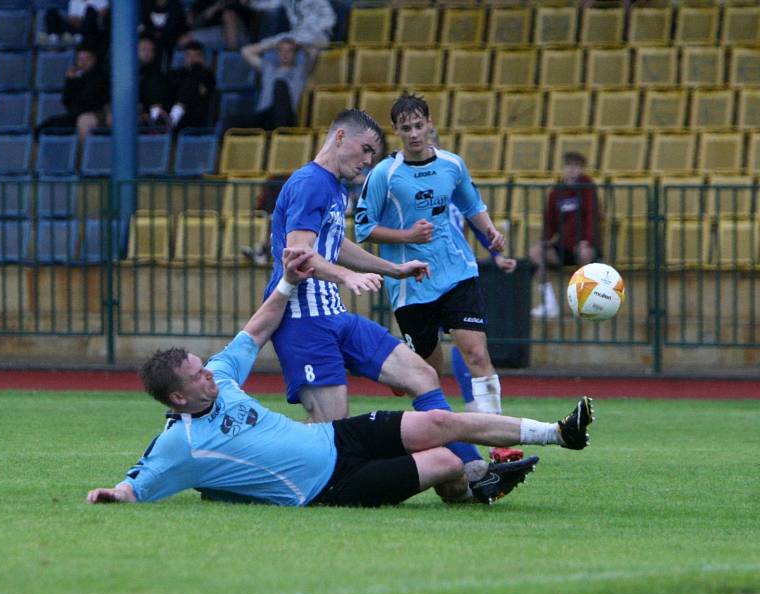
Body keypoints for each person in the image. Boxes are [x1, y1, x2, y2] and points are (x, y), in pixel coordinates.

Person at [86, 248, 596, 508]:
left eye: (203, 366)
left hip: (335, 436)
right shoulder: (183, 443)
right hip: (329, 485)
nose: (209, 374)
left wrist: (287, 281)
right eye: (197, 376)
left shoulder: (221, 374)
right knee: (444, 463)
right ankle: (471, 489)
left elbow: (256, 328)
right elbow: (137, 485)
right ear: (178, 395)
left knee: (442, 420)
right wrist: (115, 495)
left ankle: (559, 433)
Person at [264, 109, 497, 502]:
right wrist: (346, 277)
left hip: (335, 316)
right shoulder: (309, 184)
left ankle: (472, 473)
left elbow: (334, 244)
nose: (369, 159)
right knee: (332, 437)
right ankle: (242, 463)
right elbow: (299, 253)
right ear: (339, 137)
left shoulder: (334, 186)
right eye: (366, 149)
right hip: (303, 321)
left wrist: (394, 268)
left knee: (422, 375)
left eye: (374, 153)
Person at [354, 93, 509, 434]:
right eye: (406, 128)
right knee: (425, 374)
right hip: (412, 284)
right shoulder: (385, 174)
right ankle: (436, 427)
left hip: (456, 272)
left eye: (419, 125)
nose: (413, 133)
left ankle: (497, 438)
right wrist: (407, 235)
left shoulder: (451, 164)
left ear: (430, 125)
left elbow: (471, 204)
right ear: (396, 131)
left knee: (477, 355)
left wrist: (491, 232)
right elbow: (363, 229)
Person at [529, 151, 602, 319]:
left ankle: (585, 304)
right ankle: (549, 303)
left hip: (584, 244)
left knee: (584, 254)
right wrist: (544, 241)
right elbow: (550, 222)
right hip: (564, 246)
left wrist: (587, 241)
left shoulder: (588, 188)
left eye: (577, 166)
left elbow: (592, 216)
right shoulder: (556, 192)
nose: (572, 170)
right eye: (569, 165)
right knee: (535, 253)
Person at [35, 44, 109, 141]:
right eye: (80, 59)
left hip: (92, 114)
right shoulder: (76, 78)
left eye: (87, 59)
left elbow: (89, 100)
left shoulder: (100, 78)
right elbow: (66, 101)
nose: (83, 63)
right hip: (74, 115)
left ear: (94, 60)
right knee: (45, 127)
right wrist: (70, 82)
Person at [238, 37, 308, 130]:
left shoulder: (300, 71)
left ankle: (280, 135)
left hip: (286, 118)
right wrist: (272, 44)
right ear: (277, 52)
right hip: (264, 117)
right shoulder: (269, 68)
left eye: (289, 50)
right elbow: (245, 51)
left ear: (295, 53)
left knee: (280, 85)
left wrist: (300, 45)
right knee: (229, 122)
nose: (285, 54)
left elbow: (313, 52)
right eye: (281, 50)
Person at [167, 40, 216, 130]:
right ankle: (173, 115)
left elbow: (206, 93)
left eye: (196, 56)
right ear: (185, 57)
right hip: (172, 109)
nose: (192, 59)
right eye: (189, 55)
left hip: (195, 116)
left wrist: (196, 69)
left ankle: (174, 116)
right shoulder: (175, 74)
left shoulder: (208, 76)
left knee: (194, 78)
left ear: (203, 58)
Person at [137, 36, 170, 128]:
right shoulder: (125, 73)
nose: (147, 53)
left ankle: (156, 122)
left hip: (148, 113)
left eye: (150, 50)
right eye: (143, 49)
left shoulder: (158, 75)